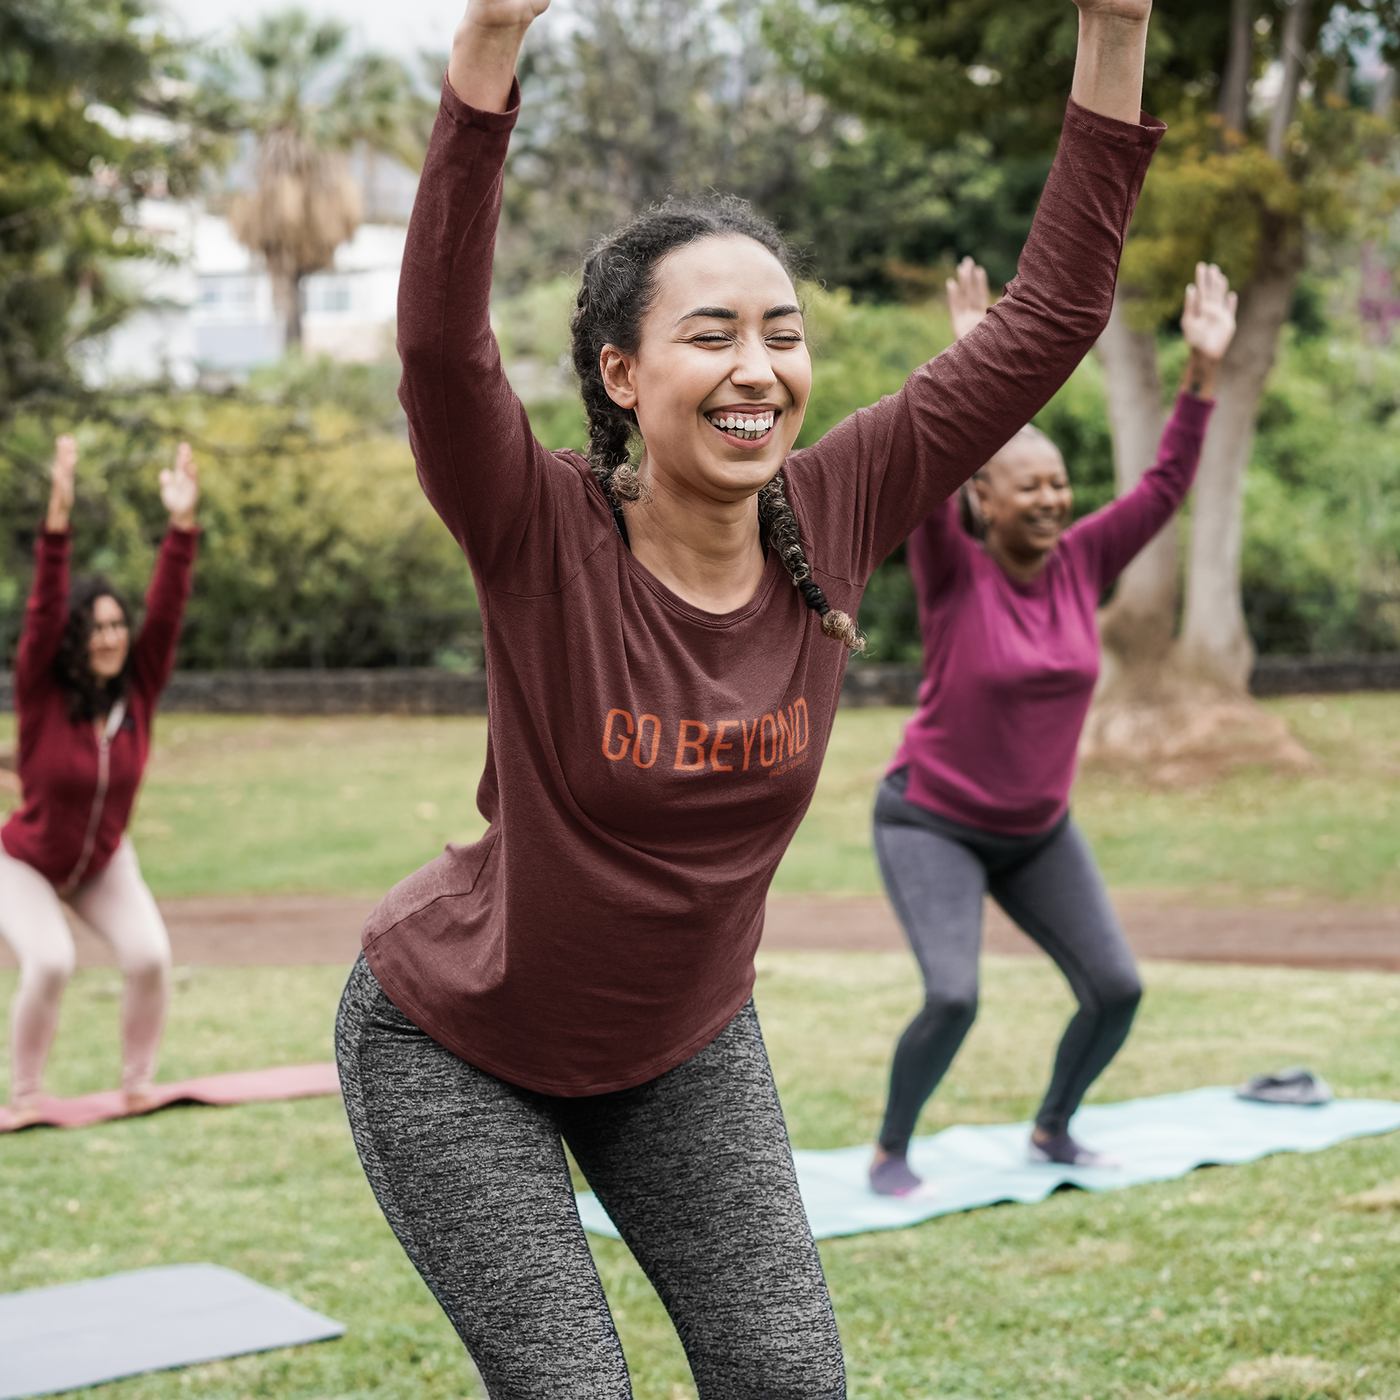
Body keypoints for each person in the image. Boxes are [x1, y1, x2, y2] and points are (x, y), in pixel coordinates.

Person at [333, 0, 1161, 1391]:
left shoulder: (838, 507)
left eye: (781, 333)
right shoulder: (536, 526)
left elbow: (1055, 317)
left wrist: (1118, 26)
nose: (757, 370)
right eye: (710, 335)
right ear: (621, 371)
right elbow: (439, 353)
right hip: (454, 1040)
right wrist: (485, 51)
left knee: (789, 1381)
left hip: (682, 1044)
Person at [867, 260, 1237, 1197]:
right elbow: (936, 454)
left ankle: (1053, 1130)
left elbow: (1163, 485)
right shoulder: (951, 566)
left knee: (1117, 988)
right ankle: (890, 1150)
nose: (1050, 498)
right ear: (982, 500)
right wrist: (972, 360)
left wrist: (1201, 371)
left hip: (1036, 832)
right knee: (953, 995)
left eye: (1058, 483)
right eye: (1026, 487)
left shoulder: (1083, 561)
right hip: (932, 820)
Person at [0, 436, 200, 1127]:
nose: (111, 638)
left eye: (118, 625)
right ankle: (25, 1098)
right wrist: (58, 511)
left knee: (149, 955)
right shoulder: (41, 691)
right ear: (76, 637)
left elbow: (168, 613)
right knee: (50, 960)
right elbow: (43, 607)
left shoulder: (138, 690)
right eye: (97, 627)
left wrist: (181, 527)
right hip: (23, 860)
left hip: (102, 861)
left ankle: (137, 1084)